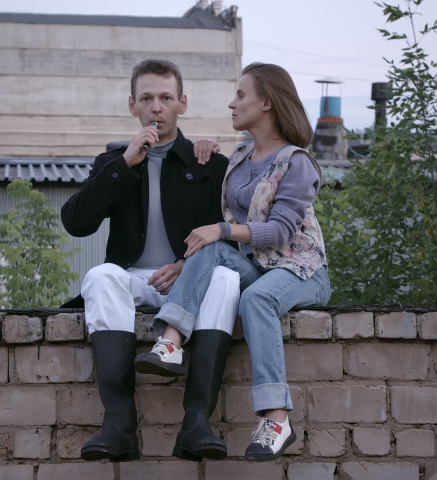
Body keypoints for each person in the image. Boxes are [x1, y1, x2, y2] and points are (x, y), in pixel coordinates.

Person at [134, 62, 330, 462]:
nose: (232, 103)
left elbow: (279, 232)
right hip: (259, 266)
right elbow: (213, 181)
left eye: (241, 94)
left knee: (255, 297)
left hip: (302, 270)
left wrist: (221, 231)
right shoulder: (240, 156)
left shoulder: (297, 163)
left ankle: (277, 418)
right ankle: (171, 342)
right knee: (207, 246)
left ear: (267, 101)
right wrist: (202, 146)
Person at [60, 59, 240, 463]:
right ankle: (119, 425)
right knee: (101, 275)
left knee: (227, 279)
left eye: (165, 97)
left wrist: (185, 264)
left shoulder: (209, 163)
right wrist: (123, 165)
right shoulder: (113, 163)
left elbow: (229, 238)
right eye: (147, 98)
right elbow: (75, 223)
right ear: (132, 106)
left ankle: (197, 424)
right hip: (134, 282)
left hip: (191, 281)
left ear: (182, 104)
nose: (156, 106)